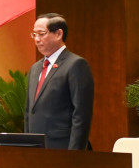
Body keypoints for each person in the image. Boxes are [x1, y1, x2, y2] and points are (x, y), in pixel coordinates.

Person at [25, 13, 94, 150]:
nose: (37, 39)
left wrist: (74, 153)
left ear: (58, 34)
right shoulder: (35, 68)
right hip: (35, 150)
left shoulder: (75, 64)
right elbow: (29, 111)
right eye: (34, 35)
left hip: (62, 148)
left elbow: (81, 115)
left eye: (41, 34)